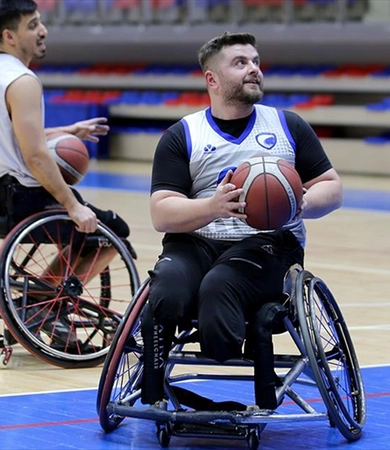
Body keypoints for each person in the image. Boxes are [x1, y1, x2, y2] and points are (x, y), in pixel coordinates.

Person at [141, 32, 343, 411]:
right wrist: (213, 206)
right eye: (240, 63)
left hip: (269, 244)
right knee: (165, 289)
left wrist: (300, 203)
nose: (254, 69)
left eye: (255, 61)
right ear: (212, 79)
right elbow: (161, 212)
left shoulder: (287, 126)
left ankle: (226, 352)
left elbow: (332, 188)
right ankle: (152, 391)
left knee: (220, 285)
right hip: (197, 241)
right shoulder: (182, 135)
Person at [0, 0, 129, 342]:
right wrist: (73, 206)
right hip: (20, 199)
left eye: (40, 22)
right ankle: (42, 305)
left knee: (88, 227)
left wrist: (67, 131)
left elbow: (12, 136)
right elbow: (36, 157)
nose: (43, 31)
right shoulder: (22, 81)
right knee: (113, 232)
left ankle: (39, 300)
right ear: (10, 36)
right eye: (33, 25)